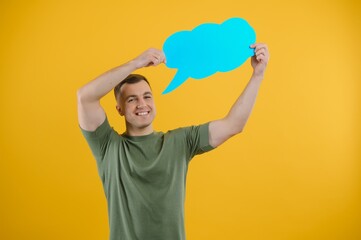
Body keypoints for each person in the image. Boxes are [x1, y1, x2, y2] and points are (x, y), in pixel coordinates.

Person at [77, 43, 269, 240]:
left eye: (147, 96)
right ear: (119, 109)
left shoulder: (180, 141)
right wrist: (136, 63)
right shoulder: (108, 146)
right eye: (132, 99)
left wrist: (257, 75)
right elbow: (85, 97)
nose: (142, 104)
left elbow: (233, 125)